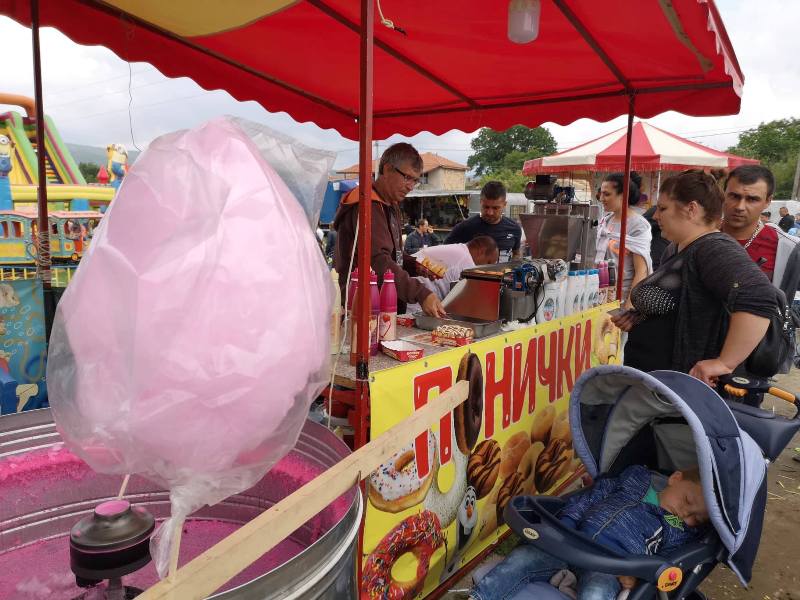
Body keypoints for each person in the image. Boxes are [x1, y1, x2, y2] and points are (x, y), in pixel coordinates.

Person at [614, 171, 777, 386]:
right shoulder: (677, 248)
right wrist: (641, 315)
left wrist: (725, 362)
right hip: (655, 383)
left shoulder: (713, 248)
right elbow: (682, 305)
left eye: (663, 208)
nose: (655, 216)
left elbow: (759, 297)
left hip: (680, 388)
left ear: (691, 209)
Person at [470, 464, 709, 600]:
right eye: (687, 501)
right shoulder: (635, 480)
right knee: (523, 559)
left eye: (695, 518)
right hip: (569, 543)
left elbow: (664, 563)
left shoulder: (676, 529)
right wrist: (565, 524)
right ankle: (480, 597)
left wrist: (638, 576)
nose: (684, 514)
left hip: (610, 566)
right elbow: (590, 497)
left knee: (597, 593)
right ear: (675, 478)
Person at [332, 143, 446, 317]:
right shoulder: (368, 205)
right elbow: (377, 261)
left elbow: (393, 256)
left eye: (415, 180)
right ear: (387, 169)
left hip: (384, 306)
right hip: (361, 308)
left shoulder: (390, 205)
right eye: (407, 177)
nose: (410, 186)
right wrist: (420, 293)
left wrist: (415, 265)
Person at [721, 166, 800, 294]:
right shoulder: (698, 236)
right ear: (723, 194)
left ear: (767, 201)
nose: (740, 207)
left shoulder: (786, 249)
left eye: (752, 199)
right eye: (734, 196)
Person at [595, 172, 653, 307]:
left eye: (607, 194)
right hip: (601, 294)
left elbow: (641, 272)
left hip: (623, 297)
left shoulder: (638, 225)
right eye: (601, 194)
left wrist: (629, 307)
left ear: (623, 195)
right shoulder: (605, 221)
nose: (601, 198)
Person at [406, 236, 499, 312]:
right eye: (488, 262)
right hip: (414, 300)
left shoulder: (459, 249)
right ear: (481, 252)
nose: (486, 268)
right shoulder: (466, 261)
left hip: (413, 294)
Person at [445, 181, 522, 262]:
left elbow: (516, 253)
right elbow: (444, 253)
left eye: (495, 208)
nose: (490, 212)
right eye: (486, 207)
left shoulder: (514, 228)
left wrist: (515, 264)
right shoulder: (464, 228)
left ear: (504, 204)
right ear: (480, 202)